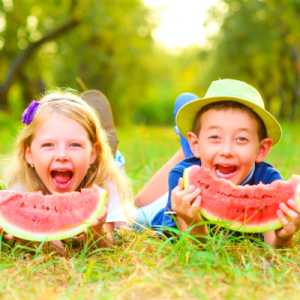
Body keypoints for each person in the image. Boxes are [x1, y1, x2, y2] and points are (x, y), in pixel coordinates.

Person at [152, 79, 300, 248]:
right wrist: (194, 223)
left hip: (204, 157)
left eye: (241, 139)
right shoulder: (182, 177)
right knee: (135, 214)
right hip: (159, 214)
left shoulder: (268, 179)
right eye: (215, 137)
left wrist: (285, 238)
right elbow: (194, 252)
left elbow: (273, 250)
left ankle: (189, 144)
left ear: (261, 149)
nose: (227, 150)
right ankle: (184, 147)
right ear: (196, 144)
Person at [0, 89, 132, 251]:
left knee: (136, 204)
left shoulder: (104, 186)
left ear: (92, 153)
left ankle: (112, 151)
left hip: (100, 169)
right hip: (85, 162)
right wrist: (25, 237)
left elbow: (104, 249)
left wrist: (97, 230)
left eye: (74, 145)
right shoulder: (22, 190)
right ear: (29, 154)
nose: (62, 156)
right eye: (48, 145)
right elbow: (51, 251)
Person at [134, 93, 198, 226]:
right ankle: (188, 153)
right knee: (134, 208)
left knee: (132, 215)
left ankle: (188, 152)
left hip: (159, 215)